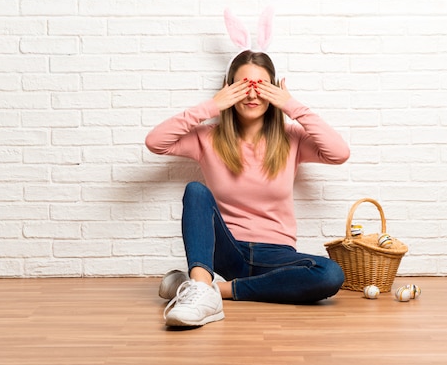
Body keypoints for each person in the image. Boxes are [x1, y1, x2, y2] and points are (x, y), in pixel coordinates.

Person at [145, 49, 350, 327]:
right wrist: (211, 106)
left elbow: (339, 153)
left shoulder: (292, 138)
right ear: (229, 89)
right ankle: (203, 286)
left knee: (329, 274)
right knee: (195, 191)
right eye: (243, 86)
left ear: (274, 92)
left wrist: (292, 106)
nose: (252, 95)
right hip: (227, 249)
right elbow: (155, 142)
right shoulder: (208, 138)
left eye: (261, 87)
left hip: (276, 254)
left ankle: (210, 290)